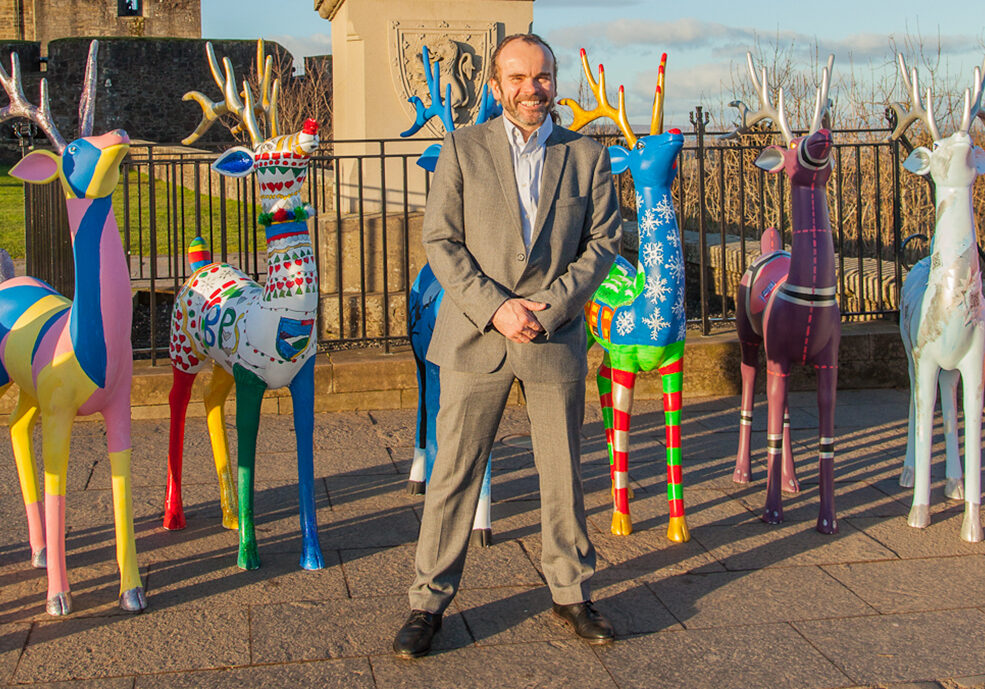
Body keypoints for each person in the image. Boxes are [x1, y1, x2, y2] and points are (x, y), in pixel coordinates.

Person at [393, 33, 622, 658]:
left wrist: (550, 307)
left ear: (553, 82)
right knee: (453, 476)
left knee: (562, 473)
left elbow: (603, 242)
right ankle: (427, 602)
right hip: (476, 336)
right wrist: (497, 308)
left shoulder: (586, 155)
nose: (532, 88)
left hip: (553, 335)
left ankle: (570, 591)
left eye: (542, 76)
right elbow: (440, 242)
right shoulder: (461, 149)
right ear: (496, 87)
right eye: (518, 77)